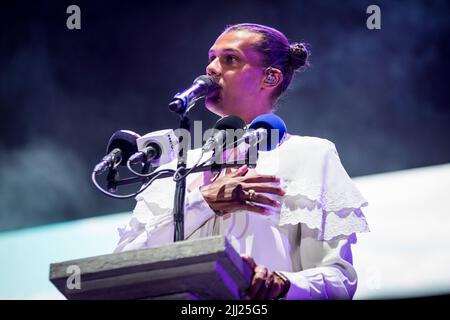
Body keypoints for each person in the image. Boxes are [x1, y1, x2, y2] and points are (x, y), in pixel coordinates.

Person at [114, 23, 369, 300]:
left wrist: (282, 283)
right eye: (211, 57)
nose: (211, 68)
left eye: (230, 59)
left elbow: (338, 280)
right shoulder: (174, 169)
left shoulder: (310, 154)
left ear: (269, 78)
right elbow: (122, 267)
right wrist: (202, 203)